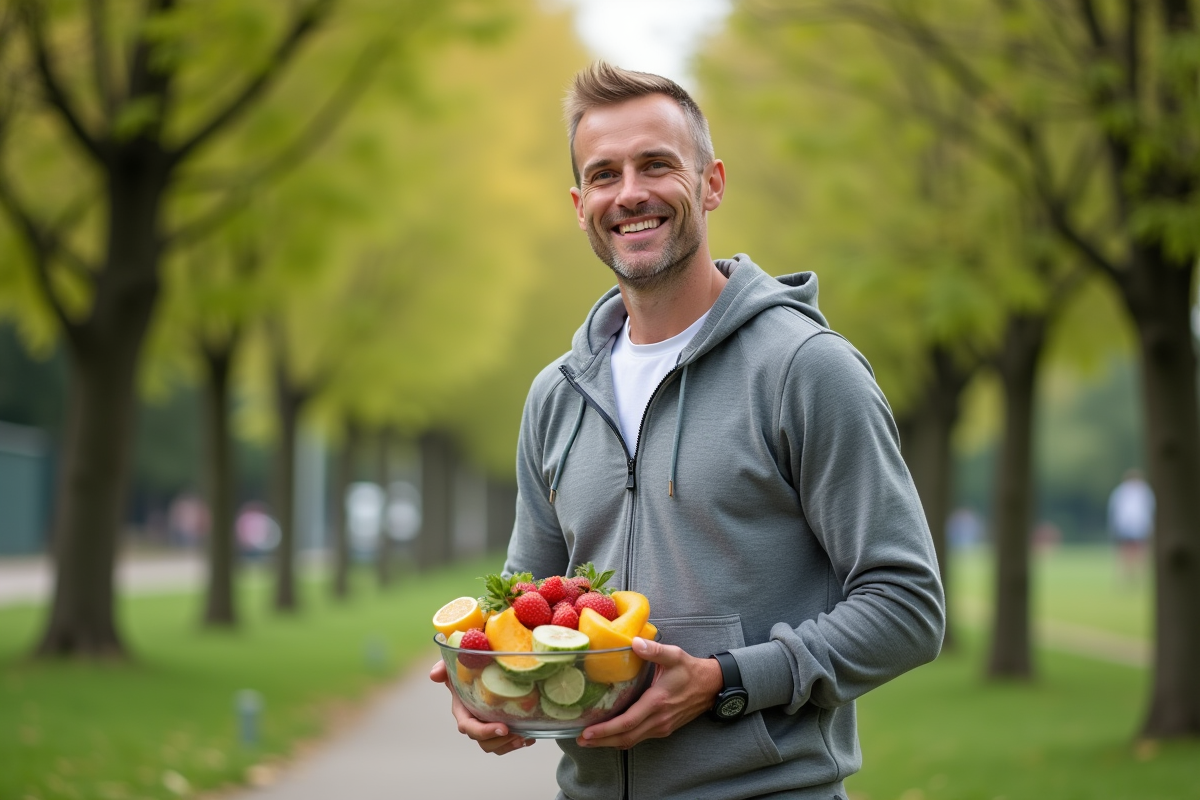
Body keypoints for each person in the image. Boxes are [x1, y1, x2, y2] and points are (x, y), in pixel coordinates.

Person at [430, 62, 945, 800]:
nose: (630, 192)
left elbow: (907, 604)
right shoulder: (555, 395)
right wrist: (493, 687)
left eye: (657, 165)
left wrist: (726, 681)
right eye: (604, 174)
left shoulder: (805, 369)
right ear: (580, 206)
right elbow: (527, 603)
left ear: (712, 183)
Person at [1107, 469, 1154, 583]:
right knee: (1128, 552)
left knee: (1140, 551)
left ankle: (1138, 576)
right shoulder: (1123, 492)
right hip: (1128, 526)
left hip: (1139, 526)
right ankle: (1127, 576)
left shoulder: (1143, 491)